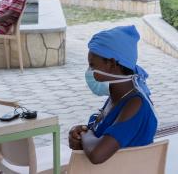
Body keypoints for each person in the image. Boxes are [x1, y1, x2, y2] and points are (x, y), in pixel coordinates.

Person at [68, 25, 158, 165]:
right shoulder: (117, 96)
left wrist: (85, 134)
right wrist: (79, 133)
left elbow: (97, 155)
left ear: (112, 63)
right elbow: (97, 139)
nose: (89, 71)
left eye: (92, 65)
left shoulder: (135, 104)